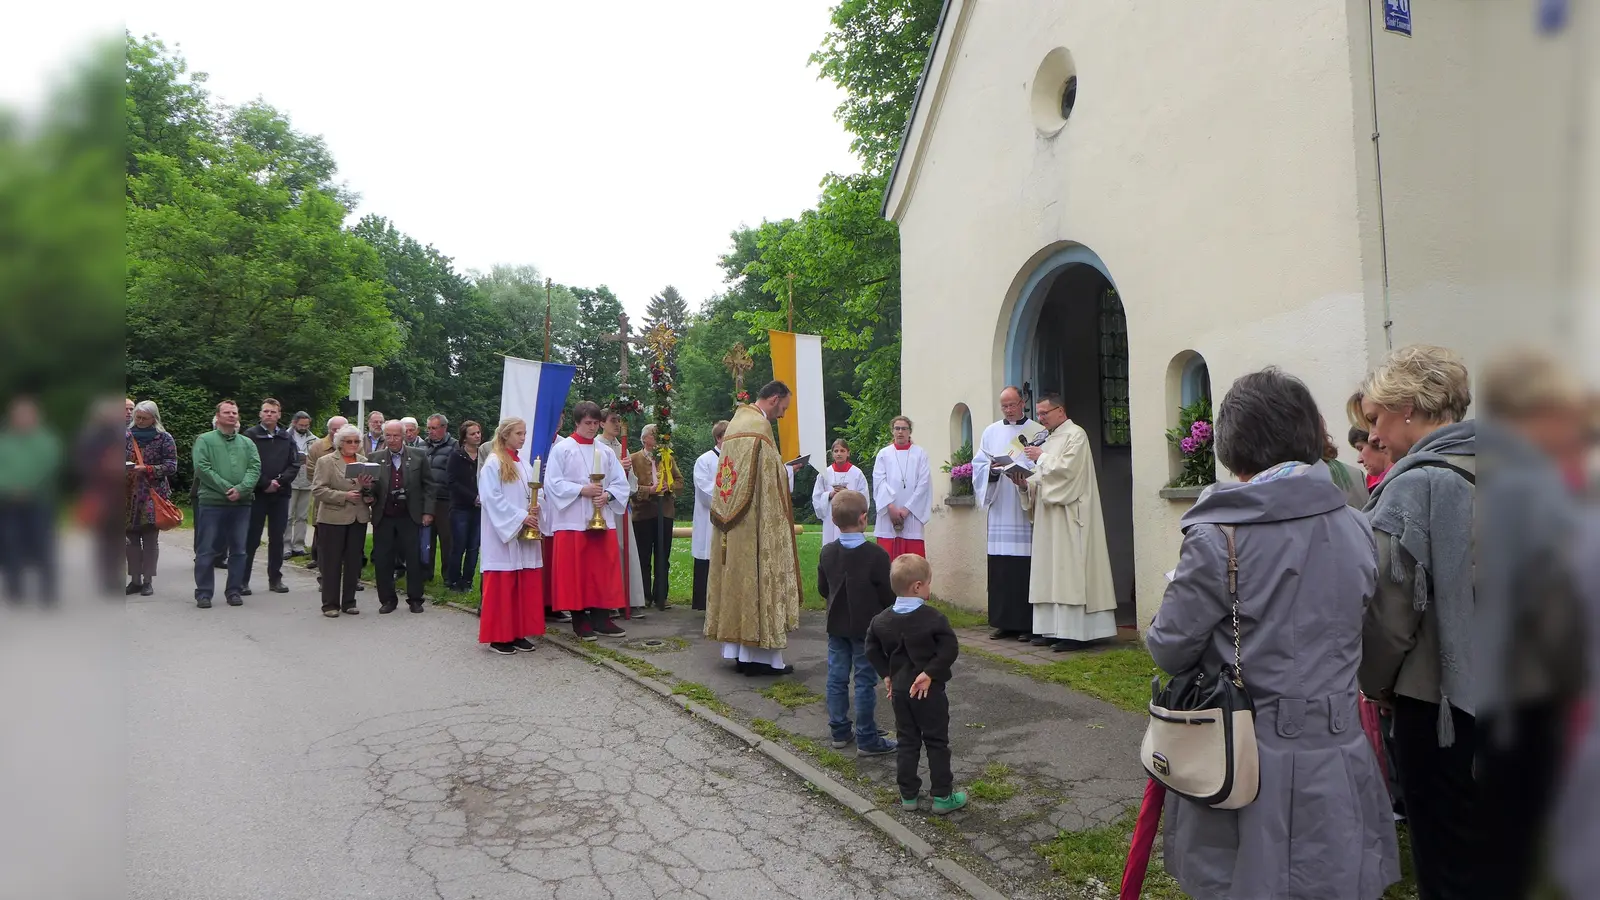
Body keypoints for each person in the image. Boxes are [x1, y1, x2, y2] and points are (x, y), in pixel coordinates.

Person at [1147, 367, 1400, 899]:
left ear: (1232, 443)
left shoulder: (1219, 534)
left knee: (1247, 882)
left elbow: (1170, 649)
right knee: (1332, 881)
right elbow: (1369, 633)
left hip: (1246, 754)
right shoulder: (1358, 524)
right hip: (1335, 745)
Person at [1354, 344, 1478, 899]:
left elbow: (1389, 617)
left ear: (1408, 408)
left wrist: (1376, 685)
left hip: (1439, 702)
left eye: (1377, 418)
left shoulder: (1414, 485)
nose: (1374, 435)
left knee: (1447, 856)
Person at [705, 382, 804, 675]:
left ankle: (740, 654)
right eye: (783, 407)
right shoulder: (759, 427)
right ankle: (760, 659)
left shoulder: (737, 423)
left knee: (738, 580)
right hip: (754, 521)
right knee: (759, 577)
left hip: (732, 524)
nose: (782, 415)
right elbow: (769, 477)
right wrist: (788, 471)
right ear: (774, 399)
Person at [865, 554, 965, 815]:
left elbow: (871, 648)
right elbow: (949, 648)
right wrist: (930, 672)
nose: (930, 588)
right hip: (928, 691)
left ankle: (908, 795)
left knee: (907, 740)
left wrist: (886, 673)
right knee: (936, 741)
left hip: (899, 690)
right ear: (918, 586)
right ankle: (942, 796)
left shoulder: (880, 621)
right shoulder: (933, 618)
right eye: (929, 583)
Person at [1021, 393, 1117, 647]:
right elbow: (1042, 476)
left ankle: (1076, 633)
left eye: (1044, 413)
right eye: (1038, 414)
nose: (1040, 418)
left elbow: (1067, 473)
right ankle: (1051, 628)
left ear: (1060, 411)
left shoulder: (1076, 435)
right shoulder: (1048, 439)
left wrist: (1040, 457)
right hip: (1048, 516)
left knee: (1068, 570)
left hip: (1070, 513)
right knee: (1050, 570)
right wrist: (1024, 484)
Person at [817, 489, 897, 753]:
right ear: (864, 519)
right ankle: (867, 737)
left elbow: (822, 588)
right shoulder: (876, 555)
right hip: (867, 629)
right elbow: (887, 594)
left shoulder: (827, 552)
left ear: (833, 519)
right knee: (864, 681)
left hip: (836, 625)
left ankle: (840, 731)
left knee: (837, 678)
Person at [543, 401, 631, 641]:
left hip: (601, 518)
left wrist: (608, 495)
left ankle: (602, 617)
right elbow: (552, 483)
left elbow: (619, 483)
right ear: (577, 423)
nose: (592, 428)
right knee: (576, 572)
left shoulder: (605, 451)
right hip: (572, 520)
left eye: (595, 423)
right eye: (587, 423)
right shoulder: (563, 449)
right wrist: (582, 490)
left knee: (602, 570)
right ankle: (579, 618)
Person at [971, 386, 1044, 641]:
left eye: (1013, 405)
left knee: (1024, 564)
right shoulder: (991, 432)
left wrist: (1024, 473)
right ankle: (1003, 621)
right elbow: (978, 463)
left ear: (1022, 402)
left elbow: (1044, 462)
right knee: (1001, 564)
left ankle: (1026, 623)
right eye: (1004, 406)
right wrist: (991, 470)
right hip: (1001, 503)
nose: (1009, 410)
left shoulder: (1037, 430)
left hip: (1024, 502)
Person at [477, 417, 545, 655]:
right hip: (502, 535)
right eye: (519, 433)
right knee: (503, 587)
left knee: (522, 585)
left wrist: (537, 507)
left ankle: (518, 632)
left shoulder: (525, 464)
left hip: (522, 534)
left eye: (525, 433)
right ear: (505, 435)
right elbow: (491, 498)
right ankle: (498, 637)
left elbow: (535, 492)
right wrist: (520, 517)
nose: (523, 438)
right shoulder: (494, 463)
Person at [192, 400, 260, 609]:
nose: (231, 415)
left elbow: (255, 467)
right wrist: (225, 488)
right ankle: (203, 593)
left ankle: (234, 590)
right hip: (212, 503)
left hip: (241, 504)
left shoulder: (247, 443)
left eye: (234, 412)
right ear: (218, 416)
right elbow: (202, 467)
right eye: (227, 412)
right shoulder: (204, 440)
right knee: (206, 549)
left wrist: (241, 489)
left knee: (239, 549)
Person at [368, 420, 436, 614]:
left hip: (410, 515)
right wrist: (366, 490)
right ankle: (387, 599)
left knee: (413, 559)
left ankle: (415, 599)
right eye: (388, 436)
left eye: (396, 435)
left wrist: (428, 511)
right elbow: (371, 487)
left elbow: (429, 486)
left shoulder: (418, 456)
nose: (392, 440)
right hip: (385, 516)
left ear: (404, 435)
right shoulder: (375, 457)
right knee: (383, 559)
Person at [0, 397, 61, 604]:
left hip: (38, 501)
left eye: (27, 415)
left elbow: (48, 466)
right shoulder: (4, 440)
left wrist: (28, 487)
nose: (22, 419)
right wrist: (9, 488)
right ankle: (15, 590)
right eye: (18, 415)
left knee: (43, 545)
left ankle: (48, 592)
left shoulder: (46, 440)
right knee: (10, 544)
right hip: (8, 503)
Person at [310, 425, 372, 616]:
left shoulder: (364, 461)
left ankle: (349, 602)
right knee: (331, 562)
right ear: (340, 442)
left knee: (354, 562)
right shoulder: (326, 461)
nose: (353, 445)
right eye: (349, 441)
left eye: (356, 441)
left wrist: (368, 490)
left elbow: (370, 491)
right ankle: (330, 604)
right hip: (333, 518)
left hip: (358, 517)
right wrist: (344, 495)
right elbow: (318, 490)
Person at [243, 399, 300, 596]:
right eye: (266, 411)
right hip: (257, 494)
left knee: (277, 538)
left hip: (281, 494)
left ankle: (275, 578)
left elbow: (294, 464)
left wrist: (280, 481)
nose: (269, 414)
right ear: (260, 414)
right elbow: (246, 463)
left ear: (279, 414)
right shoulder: (250, 436)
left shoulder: (287, 437)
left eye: (273, 412)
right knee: (251, 538)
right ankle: (243, 580)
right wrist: (265, 483)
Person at [124, 400, 178, 597]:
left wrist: (146, 469)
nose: (138, 420)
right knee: (130, 541)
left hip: (153, 495)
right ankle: (135, 580)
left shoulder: (164, 438)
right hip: (128, 494)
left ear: (153, 419)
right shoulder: (125, 437)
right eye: (136, 417)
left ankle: (147, 581)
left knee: (149, 540)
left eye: (143, 418)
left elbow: (171, 466)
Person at [598, 411, 647, 619]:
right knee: (610, 553)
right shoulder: (597, 446)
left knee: (628, 551)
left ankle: (631, 598)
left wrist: (627, 472)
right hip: (605, 506)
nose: (617, 424)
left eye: (619, 420)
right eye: (613, 420)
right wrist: (618, 466)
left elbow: (632, 483)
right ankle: (609, 601)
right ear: (602, 423)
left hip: (622, 505)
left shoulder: (621, 447)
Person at [630, 423, 681, 611]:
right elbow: (629, 487)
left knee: (663, 555)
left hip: (664, 512)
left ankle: (662, 596)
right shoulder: (634, 459)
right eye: (654, 435)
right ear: (645, 439)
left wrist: (670, 486)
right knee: (643, 556)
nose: (658, 439)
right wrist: (648, 490)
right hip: (643, 514)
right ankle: (643, 595)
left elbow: (679, 480)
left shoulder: (667, 457)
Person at [872, 416, 932, 558]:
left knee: (912, 562)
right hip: (888, 516)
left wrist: (906, 509)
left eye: (904, 429)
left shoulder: (920, 454)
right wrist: (890, 507)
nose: (900, 432)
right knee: (887, 561)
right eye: (897, 428)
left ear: (909, 431)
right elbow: (879, 481)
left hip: (912, 516)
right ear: (892, 431)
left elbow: (924, 483)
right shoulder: (884, 454)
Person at [302, 414, 348, 571]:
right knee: (324, 540)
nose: (337, 432)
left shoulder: (355, 446)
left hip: (350, 504)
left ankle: (350, 576)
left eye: (341, 429)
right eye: (334, 429)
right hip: (325, 501)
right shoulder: (317, 447)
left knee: (350, 543)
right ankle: (325, 575)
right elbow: (310, 472)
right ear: (329, 430)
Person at [690, 420, 727, 611]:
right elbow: (704, 489)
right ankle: (704, 603)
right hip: (709, 518)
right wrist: (727, 495)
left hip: (730, 517)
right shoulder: (704, 460)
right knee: (708, 555)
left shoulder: (734, 460)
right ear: (719, 437)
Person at [445, 420, 484, 593]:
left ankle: (467, 580)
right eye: (472, 433)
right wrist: (472, 497)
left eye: (478, 432)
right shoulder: (456, 456)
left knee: (474, 546)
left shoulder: (485, 455)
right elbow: (452, 482)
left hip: (479, 507)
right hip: (461, 506)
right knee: (458, 544)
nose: (477, 436)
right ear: (464, 438)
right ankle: (453, 580)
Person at [421, 413, 456, 583]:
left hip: (445, 499)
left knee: (446, 539)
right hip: (426, 499)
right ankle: (426, 573)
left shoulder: (455, 446)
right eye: (428, 428)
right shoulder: (423, 446)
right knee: (427, 538)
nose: (430, 432)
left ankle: (448, 575)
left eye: (434, 428)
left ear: (444, 428)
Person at [812, 439, 869, 545]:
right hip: (831, 516)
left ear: (848, 453)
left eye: (842, 451)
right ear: (832, 454)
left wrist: (848, 494)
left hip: (851, 517)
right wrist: (829, 495)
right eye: (836, 451)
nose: (839, 454)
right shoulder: (825, 473)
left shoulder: (857, 473)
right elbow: (817, 496)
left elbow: (864, 497)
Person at [286, 411, 317, 558]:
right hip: (290, 481)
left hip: (307, 481)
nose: (304, 427)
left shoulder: (314, 440)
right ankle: (285, 545)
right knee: (287, 515)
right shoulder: (285, 436)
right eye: (301, 425)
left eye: (306, 425)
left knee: (302, 516)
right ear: (294, 423)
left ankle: (298, 544)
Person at [1348, 424, 1391, 492]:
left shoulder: (1400, 480)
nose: (1359, 460)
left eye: (1360, 449)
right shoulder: (1370, 483)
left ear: (1376, 441)